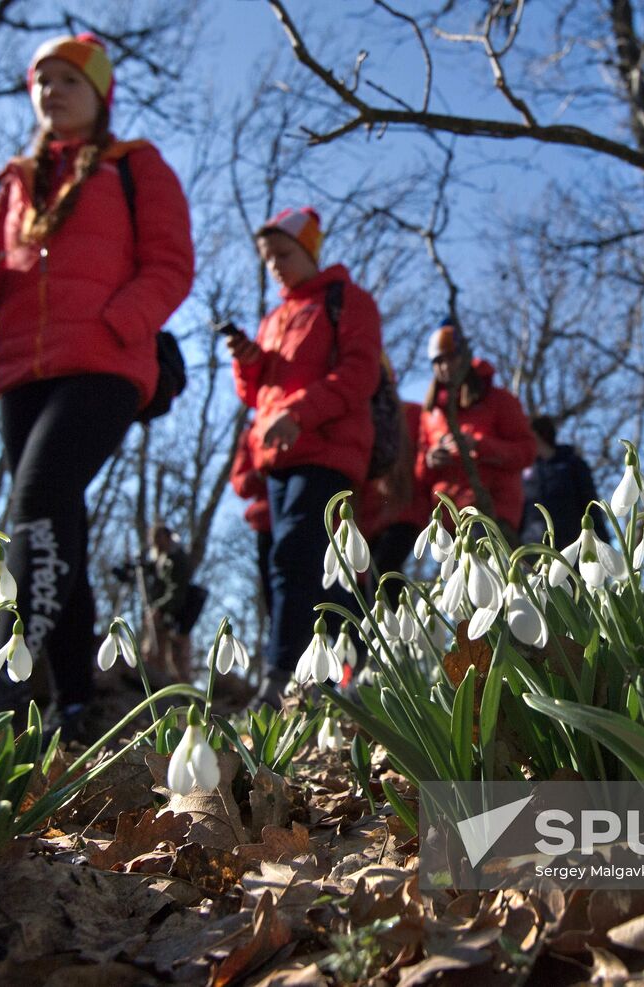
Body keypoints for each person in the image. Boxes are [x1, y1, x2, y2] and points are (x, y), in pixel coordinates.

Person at [0, 33, 194, 730]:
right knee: (59, 524)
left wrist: (121, 320)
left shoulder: (133, 164)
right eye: (42, 81)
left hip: (105, 363)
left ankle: (1, 679)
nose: (51, 92)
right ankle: (75, 701)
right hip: (21, 366)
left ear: (99, 93)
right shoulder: (16, 179)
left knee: (39, 497)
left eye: (68, 81)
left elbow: (172, 262)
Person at [225, 206, 382, 707]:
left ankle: (284, 679)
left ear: (310, 250)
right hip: (279, 454)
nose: (275, 265)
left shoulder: (347, 302)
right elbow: (257, 398)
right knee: (296, 563)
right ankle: (339, 674)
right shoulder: (275, 318)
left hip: (328, 448)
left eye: (284, 254)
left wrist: (300, 411)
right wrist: (250, 365)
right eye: (267, 258)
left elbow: (361, 373)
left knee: (297, 557)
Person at [416, 320, 536, 542]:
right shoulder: (431, 413)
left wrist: (478, 445)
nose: (445, 366)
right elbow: (421, 471)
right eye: (438, 361)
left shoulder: (499, 400)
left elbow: (527, 451)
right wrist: (431, 460)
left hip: (493, 512)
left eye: (451, 357)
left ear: (465, 358)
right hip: (448, 521)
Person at [359, 401, 429, 598]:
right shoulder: (358, 416)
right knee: (369, 579)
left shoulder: (412, 413)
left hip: (405, 509)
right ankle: (381, 625)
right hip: (368, 517)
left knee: (383, 569)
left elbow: (425, 453)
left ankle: (393, 626)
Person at [519, 415, 601, 548]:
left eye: (527, 435)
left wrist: (600, 539)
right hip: (533, 544)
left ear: (539, 435)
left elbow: (590, 503)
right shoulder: (526, 471)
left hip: (571, 543)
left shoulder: (572, 464)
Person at [229, 424, 273, 624]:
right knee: (274, 596)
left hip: (315, 520)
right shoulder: (254, 431)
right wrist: (261, 472)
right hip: (267, 523)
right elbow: (239, 483)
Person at [142, 523, 194, 682]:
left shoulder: (176, 558)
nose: (154, 542)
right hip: (164, 610)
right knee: (151, 652)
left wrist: (159, 607)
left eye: (157, 538)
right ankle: (153, 686)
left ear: (167, 537)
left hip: (177, 615)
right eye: (152, 539)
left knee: (176, 657)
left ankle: (186, 697)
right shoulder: (159, 558)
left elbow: (177, 590)